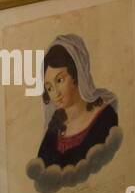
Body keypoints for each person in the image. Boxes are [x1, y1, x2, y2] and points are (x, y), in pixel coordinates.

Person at [36, 35, 119, 171]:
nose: (55, 94)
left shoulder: (105, 116)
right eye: (49, 88)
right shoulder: (55, 124)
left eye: (59, 80)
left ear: (76, 74)